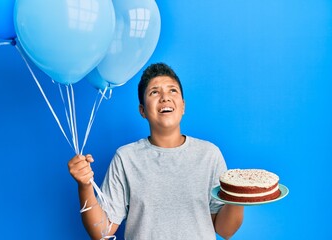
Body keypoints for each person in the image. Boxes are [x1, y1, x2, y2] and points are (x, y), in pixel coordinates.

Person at [68, 63, 244, 240]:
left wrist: (240, 195)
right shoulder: (126, 158)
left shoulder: (209, 155)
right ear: (142, 110)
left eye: (172, 91)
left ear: (183, 106)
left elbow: (225, 230)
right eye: (154, 92)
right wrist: (84, 186)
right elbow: (101, 232)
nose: (165, 97)